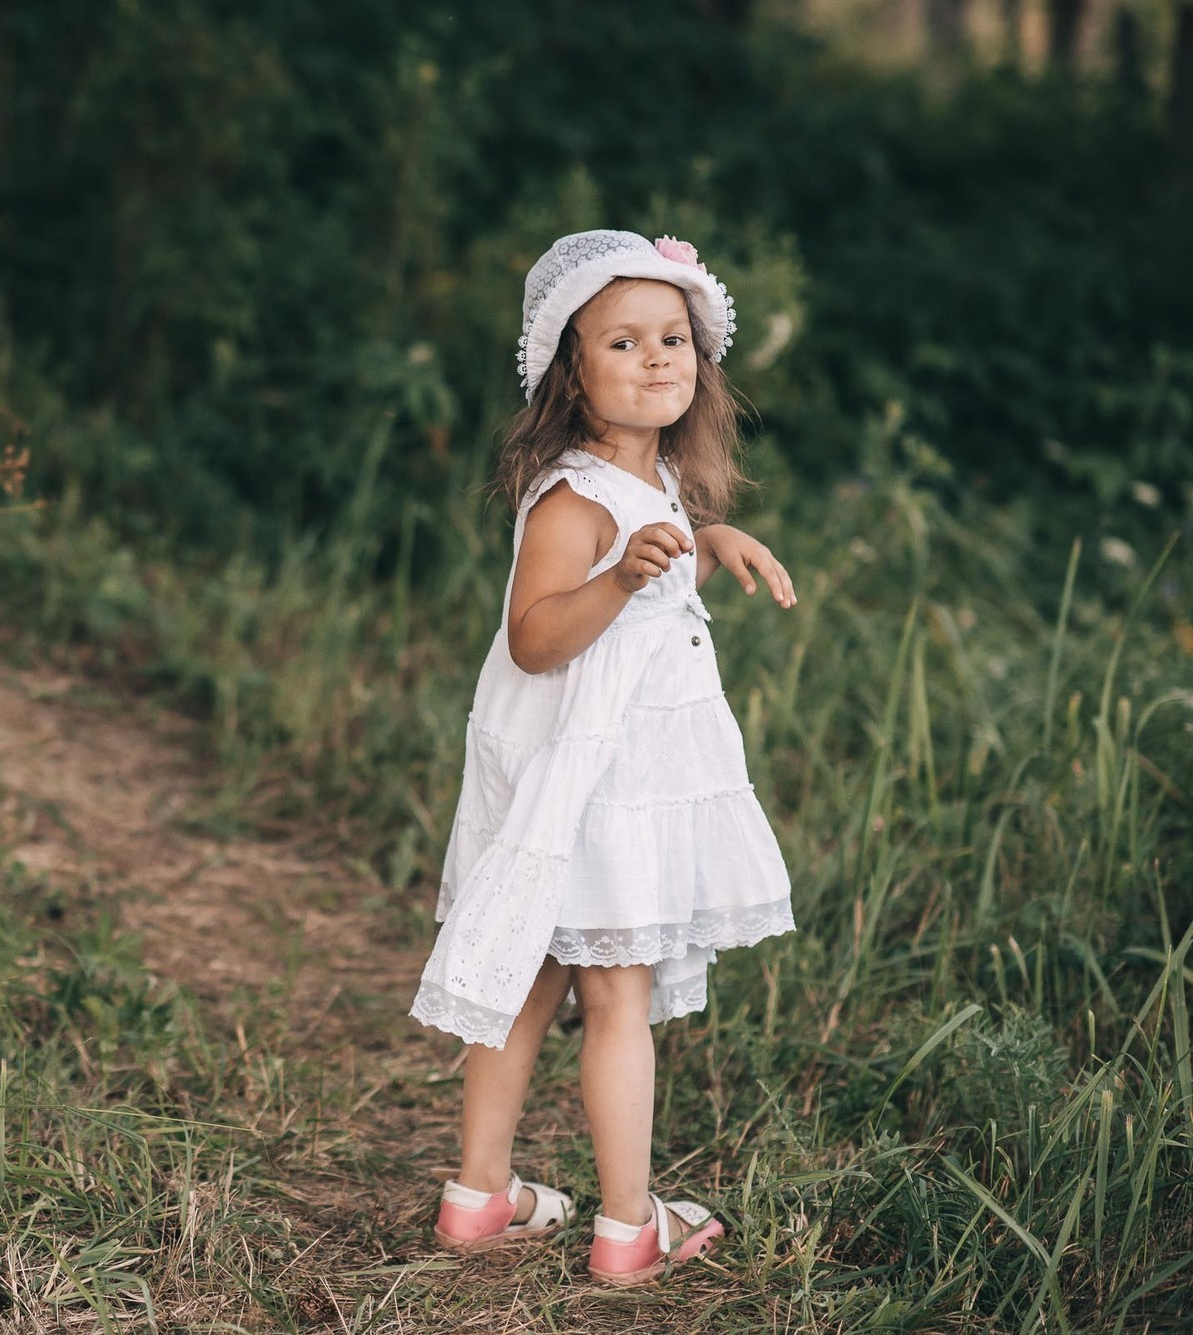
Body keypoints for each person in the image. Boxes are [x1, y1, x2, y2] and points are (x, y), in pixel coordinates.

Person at [407, 229, 797, 1287]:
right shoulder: (573, 500)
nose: (657, 357)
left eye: (673, 337)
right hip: (581, 778)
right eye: (622, 342)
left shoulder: (655, 481)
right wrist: (623, 575)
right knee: (611, 997)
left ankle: (477, 1199)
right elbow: (538, 637)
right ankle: (629, 1227)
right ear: (568, 376)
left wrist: (700, 542)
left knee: (529, 979)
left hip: (604, 769)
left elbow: (649, 586)